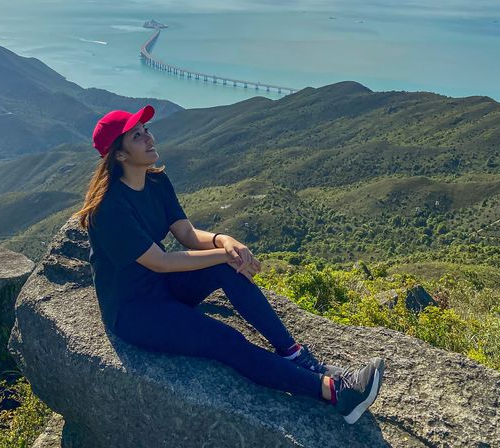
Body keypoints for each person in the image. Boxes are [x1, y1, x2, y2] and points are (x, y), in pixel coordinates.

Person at [76, 104, 385, 425]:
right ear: (121, 156)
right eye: (137, 136)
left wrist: (224, 241)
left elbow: (187, 234)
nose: (149, 138)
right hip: (134, 313)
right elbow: (161, 261)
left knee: (226, 265)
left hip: (163, 288)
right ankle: (336, 393)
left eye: (146, 130)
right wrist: (222, 253)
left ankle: (295, 354)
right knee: (226, 341)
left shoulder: (156, 182)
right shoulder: (110, 209)